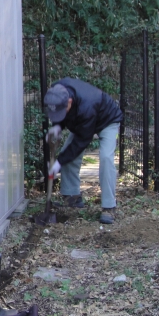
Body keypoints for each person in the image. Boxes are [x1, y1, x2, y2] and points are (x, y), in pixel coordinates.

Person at [44, 78, 123, 224]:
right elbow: (58, 111)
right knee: (68, 154)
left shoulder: (87, 106)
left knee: (106, 158)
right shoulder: (57, 92)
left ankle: (109, 206)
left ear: (69, 102)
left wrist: (58, 163)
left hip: (107, 120)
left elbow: (81, 141)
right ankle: (72, 196)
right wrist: (57, 126)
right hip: (81, 122)